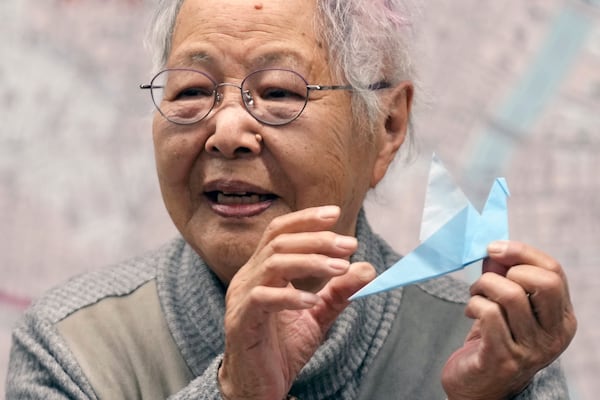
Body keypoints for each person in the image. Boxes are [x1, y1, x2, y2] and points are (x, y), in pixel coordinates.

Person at [6, 0, 577, 399]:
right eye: (192, 92)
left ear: (386, 125)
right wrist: (235, 391)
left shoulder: (490, 349)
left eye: (278, 91)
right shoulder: (72, 347)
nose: (226, 131)